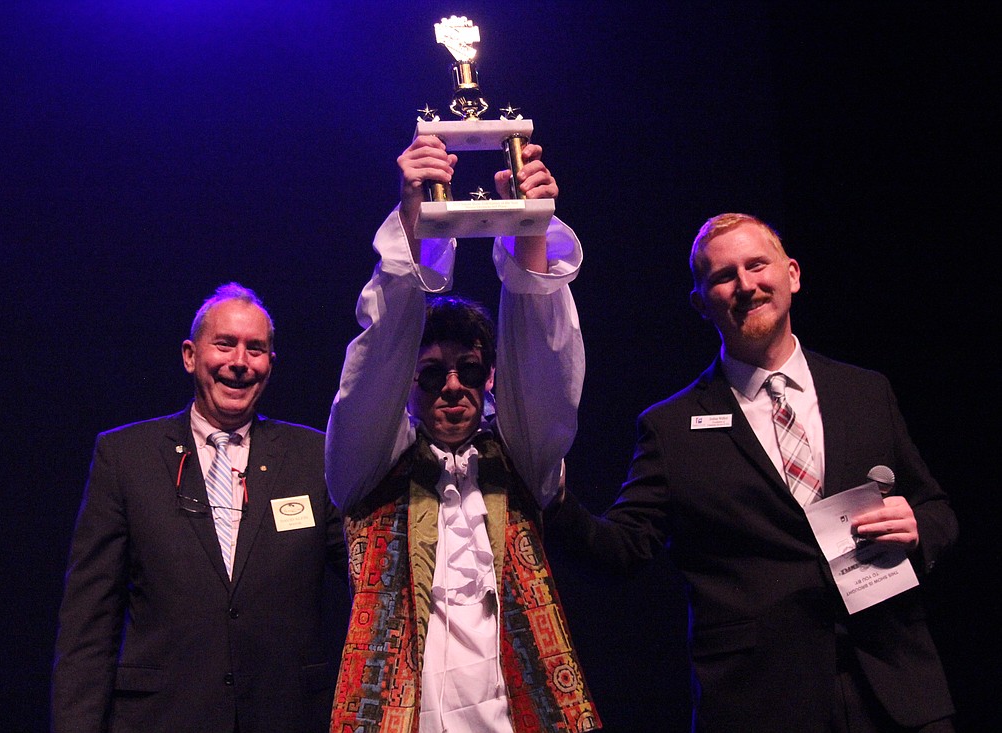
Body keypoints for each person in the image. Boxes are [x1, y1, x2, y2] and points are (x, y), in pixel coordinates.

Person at [549, 213, 957, 732]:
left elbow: (936, 509)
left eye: (757, 265)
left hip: (897, 692)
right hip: (761, 701)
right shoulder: (671, 428)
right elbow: (624, 548)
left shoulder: (865, 392)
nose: (746, 285)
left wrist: (918, 530)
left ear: (792, 274)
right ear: (700, 302)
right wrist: (553, 497)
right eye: (724, 276)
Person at [324, 136, 600, 732]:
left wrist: (531, 229)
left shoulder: (521, 459)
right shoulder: (369, 467)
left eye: (469, 371)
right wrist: (414, 221)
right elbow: (374, 366)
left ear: (490, 376)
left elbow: (547, 371)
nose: (452, 387)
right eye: (432, 374)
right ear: (409, 381)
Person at [51, 283, 348, 733]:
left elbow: (369, 580)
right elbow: (88, 625)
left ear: (270, 364)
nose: (239, 362)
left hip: (286, 716)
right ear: (190, 356)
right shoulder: (126, 458)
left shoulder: (314, 457)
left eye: (255, 349)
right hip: (160, 719)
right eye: (224, 344)